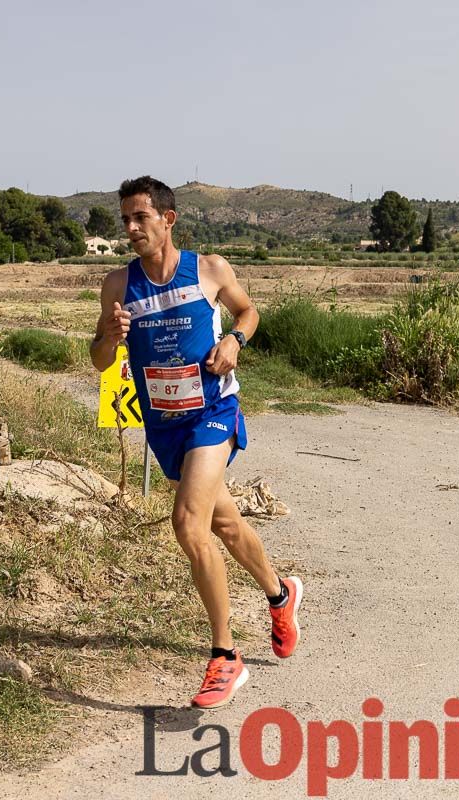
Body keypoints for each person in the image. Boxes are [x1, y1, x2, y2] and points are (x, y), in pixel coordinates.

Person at [91, 176, 303, 709]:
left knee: (187, 522)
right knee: (223, 523)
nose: (131, 228)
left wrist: (235, 340)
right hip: (164, 426)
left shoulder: (208, 269)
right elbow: (97, 359)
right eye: (125, 220)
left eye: (140, 217)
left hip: (213, 412)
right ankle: (281, 595)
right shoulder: (117, 285)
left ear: (169, 218)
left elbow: (249, 312)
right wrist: (109, 339)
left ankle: (225, 657)